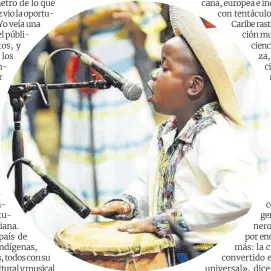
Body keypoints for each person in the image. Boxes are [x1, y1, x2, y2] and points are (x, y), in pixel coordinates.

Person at [91, 6, 257, 263]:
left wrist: (167, 221)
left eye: (165, 68)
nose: (154, 74)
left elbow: (241, 195)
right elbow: (149, 182)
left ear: (193, 86)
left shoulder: (213, 134)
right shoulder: (167, 131)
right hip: (167, 252)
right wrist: (129, 203)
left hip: (199, 252)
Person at [57, 2, 166, 210]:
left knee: (128, 147)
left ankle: (133, 206)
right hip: (83, 80)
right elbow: (58, 37)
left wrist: (132, 23)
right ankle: (88, 210)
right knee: (86, 151)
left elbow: (148, 33)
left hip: (121, 79)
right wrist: (85, 26)